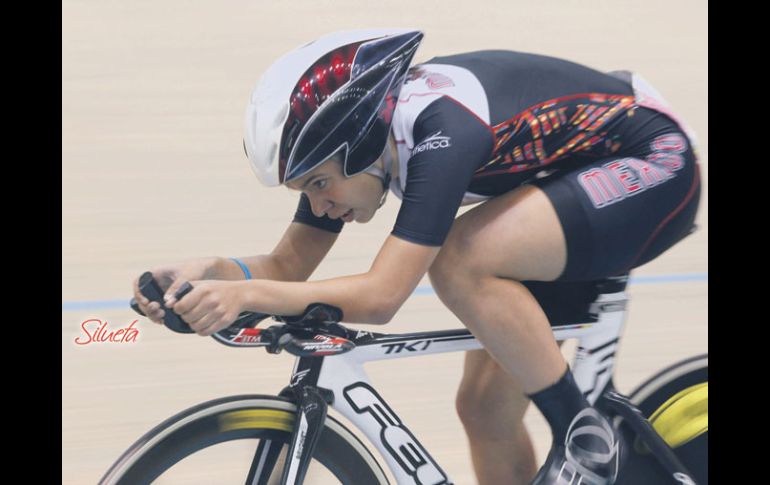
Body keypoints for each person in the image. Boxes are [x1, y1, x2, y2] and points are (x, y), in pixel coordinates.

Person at [133, 29, 701, 484]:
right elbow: (286, 269)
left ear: (355, 146)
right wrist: (209, 274)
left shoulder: (441, 132)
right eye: (305, 191)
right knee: (484, 411)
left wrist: (247, 296)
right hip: (563, 182)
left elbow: (383, 298)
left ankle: (586, 439)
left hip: (651, 163)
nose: (319, 204)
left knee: (460, 257)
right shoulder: (364, 153)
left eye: (319, 183)